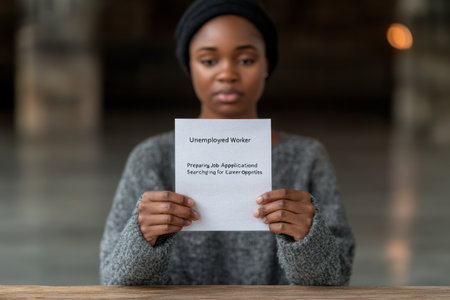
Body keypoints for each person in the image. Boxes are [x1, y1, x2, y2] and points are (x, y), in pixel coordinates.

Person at [100, 0, 355, 285]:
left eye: (246, 60)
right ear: (190, 66)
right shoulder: (151, 158)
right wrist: (142, 237)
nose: (227, 74)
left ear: (267, 64)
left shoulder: (307, 158)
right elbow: (113, 277)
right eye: (209, 61)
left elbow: (338, 275)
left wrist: (308, 237)